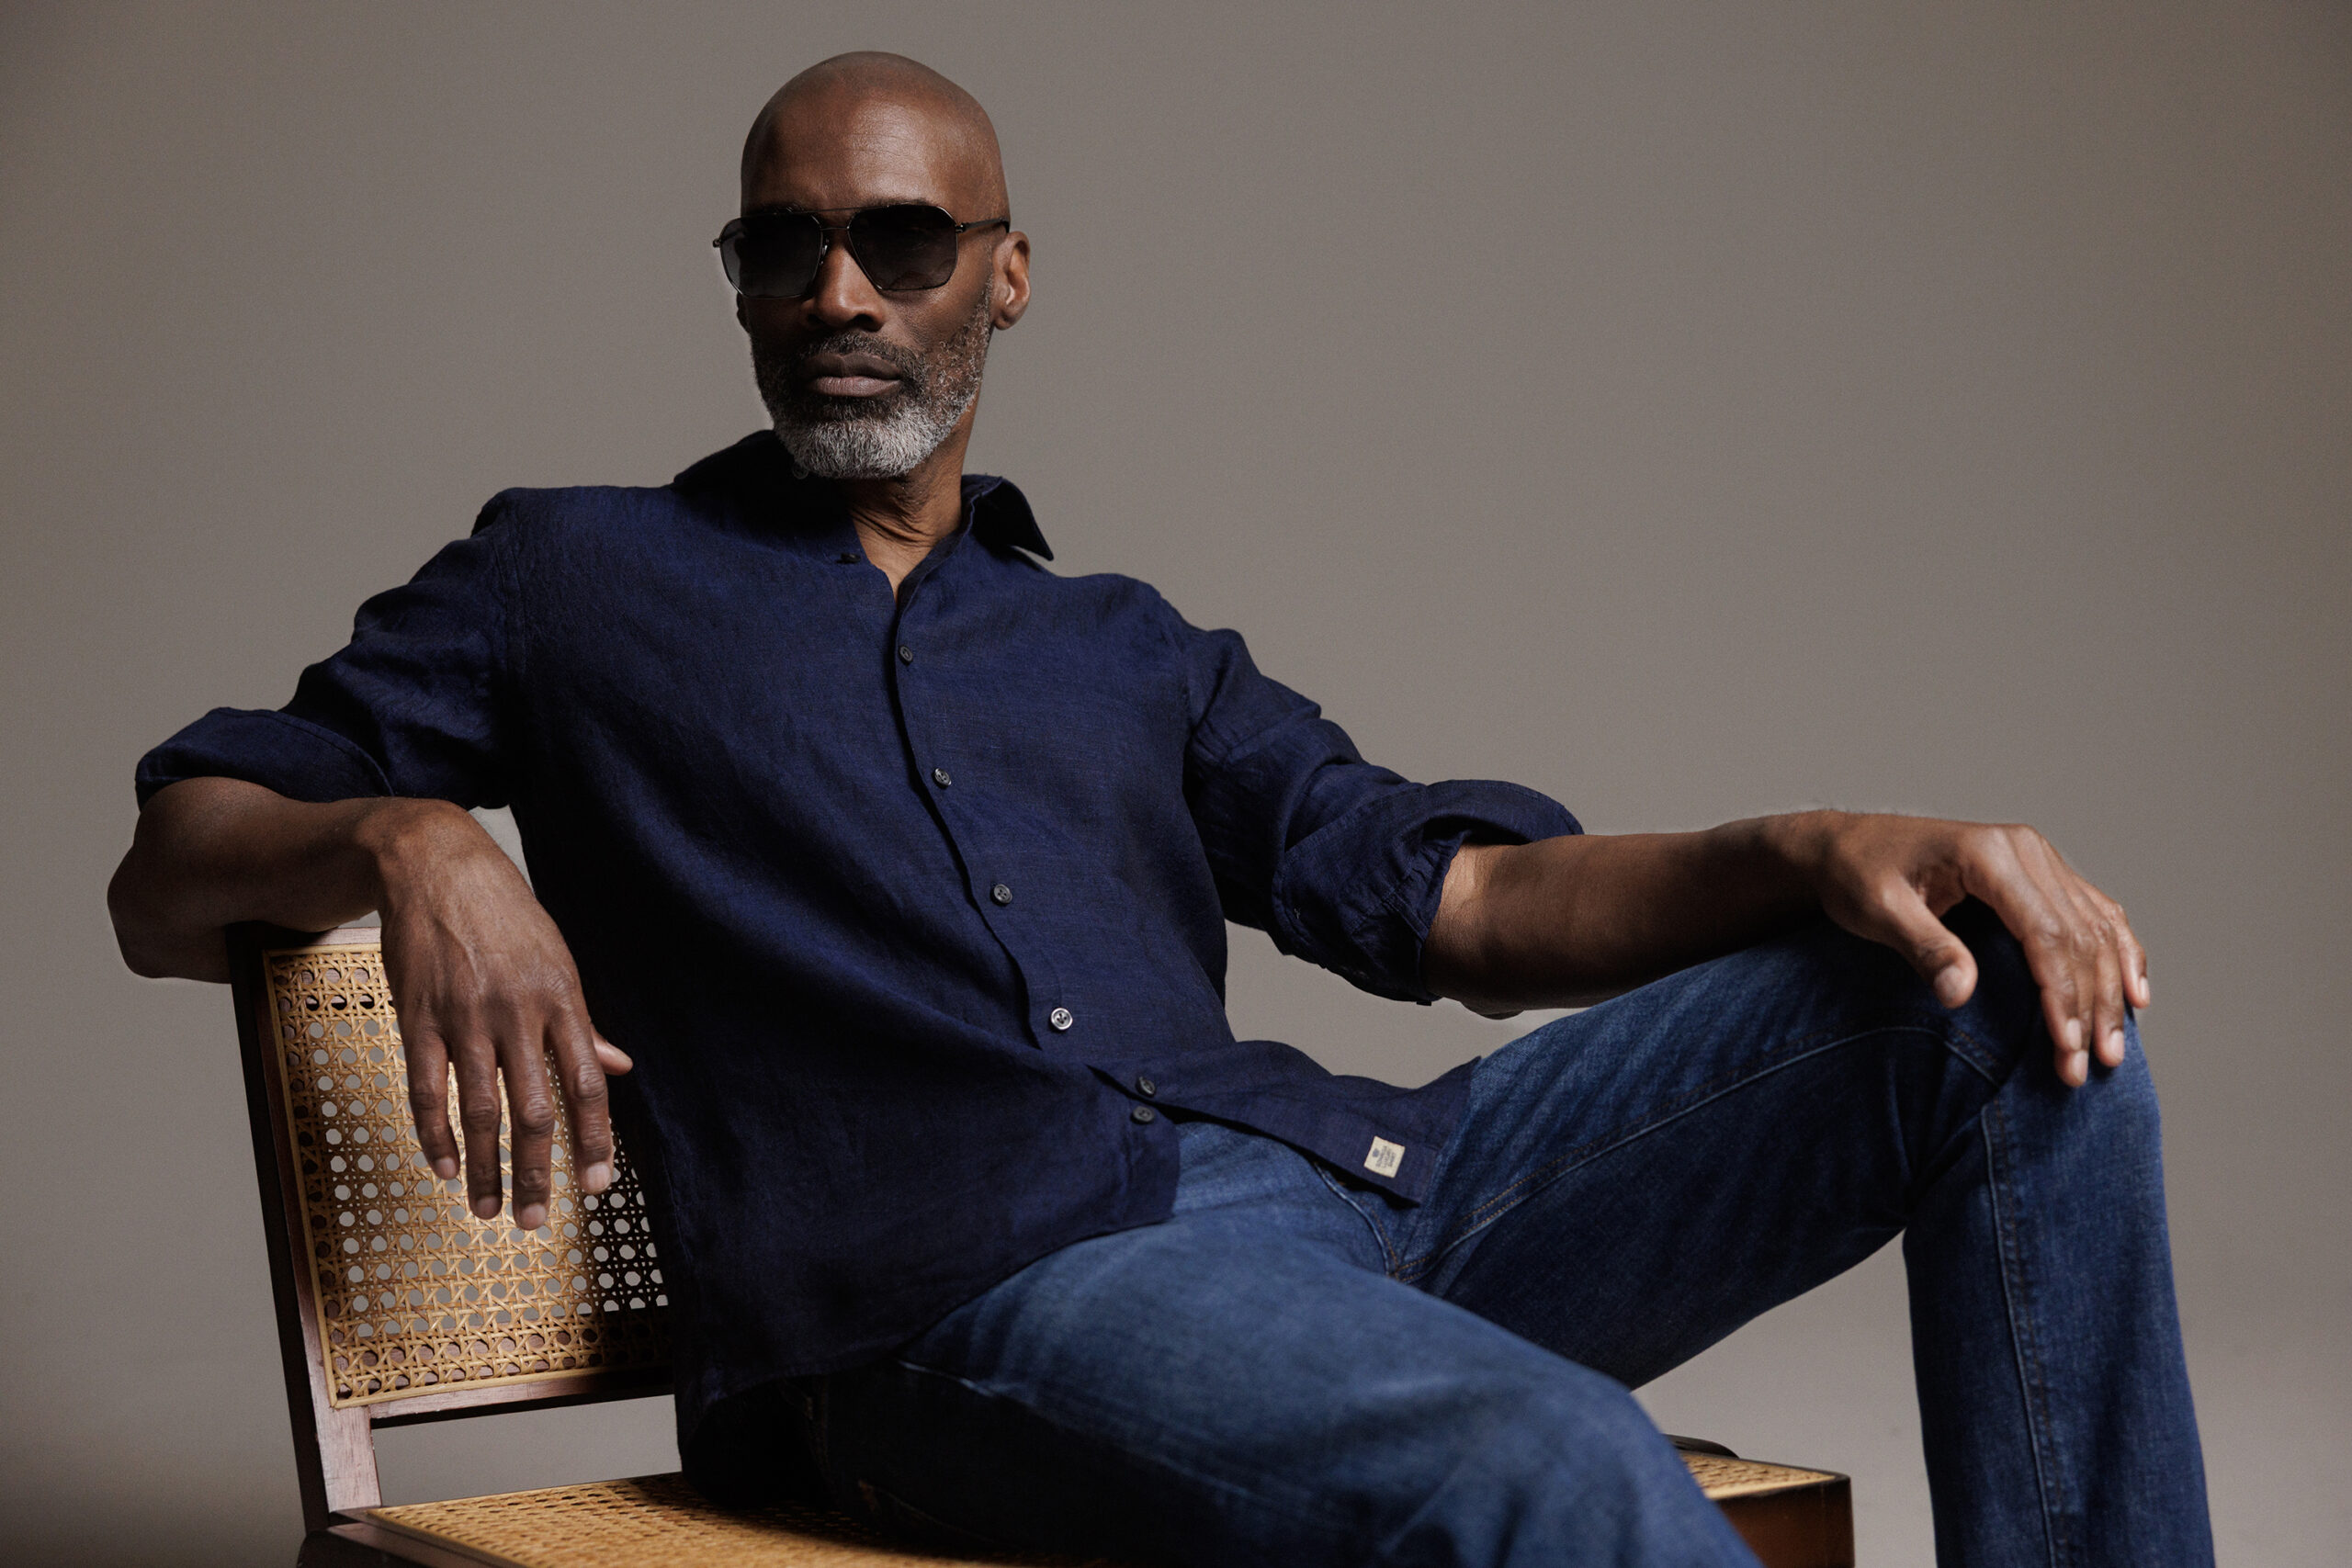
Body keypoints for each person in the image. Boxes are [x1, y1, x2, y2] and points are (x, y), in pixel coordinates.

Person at [107, 51, 2211, 1568]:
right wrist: (408, 838)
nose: (839, 294)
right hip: (972, 1305)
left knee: (1999, 1009)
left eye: (899, 240)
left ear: (1005, 273)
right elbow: (168, 867)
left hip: (1367, 1204)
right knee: (1552, 1463)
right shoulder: (571, 580)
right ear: (737, 281)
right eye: (784, 246)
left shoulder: (1126, 647)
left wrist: (1816, 844)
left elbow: (1462, 904)